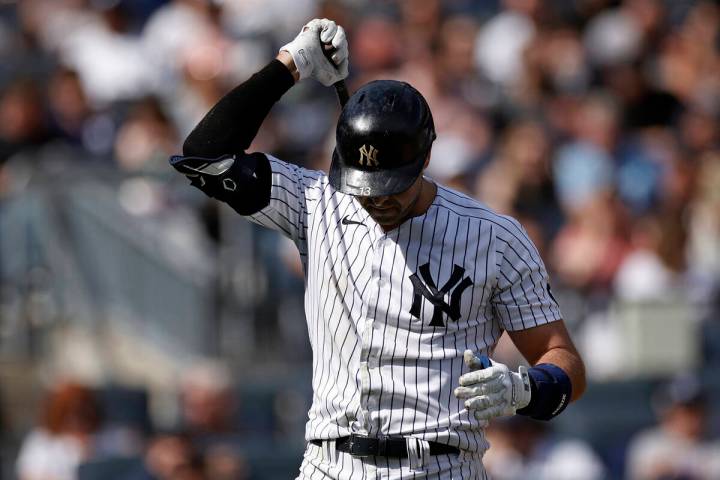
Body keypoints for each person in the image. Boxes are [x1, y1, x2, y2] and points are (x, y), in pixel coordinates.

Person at [169, 18, 586, 479]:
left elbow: (563, 359)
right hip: (331, 462)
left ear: (426, 158)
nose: (377, 200)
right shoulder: (317, 203)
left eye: (391, 186)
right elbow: (204, 156)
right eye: (366, 187)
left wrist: (526, 388)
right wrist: (291, 65)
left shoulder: (495, 236)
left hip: (441, 464)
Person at [625, 375, 720, 480]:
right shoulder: (648, 444)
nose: (690, 417)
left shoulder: (714, 448)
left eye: (695, 410)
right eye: (684, 411)